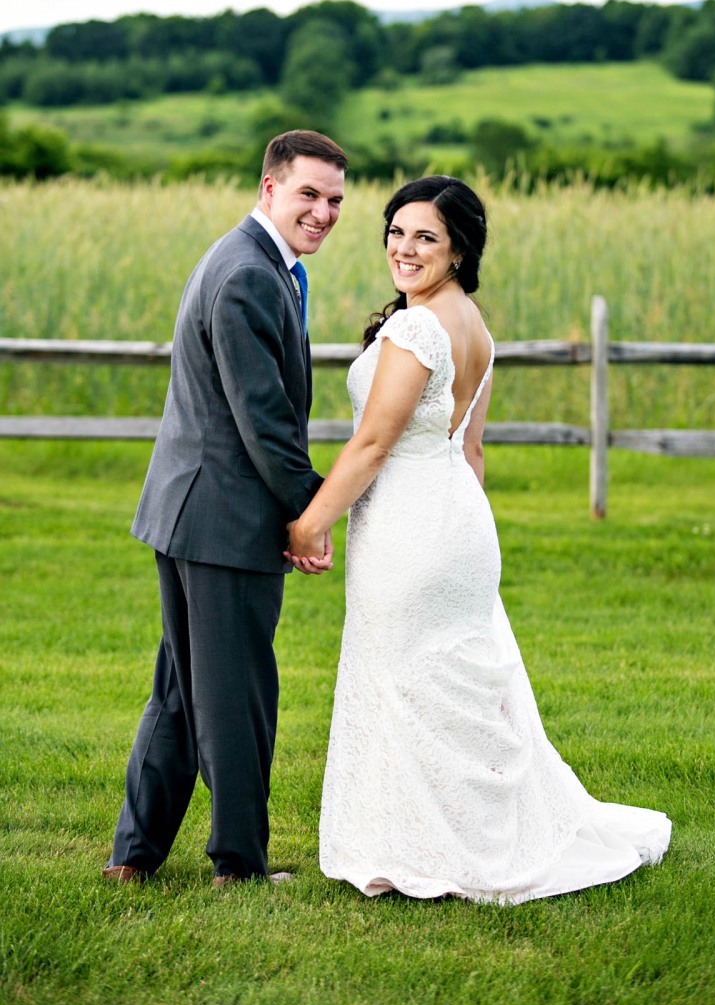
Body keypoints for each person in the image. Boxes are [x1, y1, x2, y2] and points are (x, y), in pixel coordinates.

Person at [286, 174, 671, 904]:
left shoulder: (418, 328)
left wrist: (311, 524)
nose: (404, 248)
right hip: (457, 520)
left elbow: (372, 444)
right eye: (396, 232)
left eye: (425, 237)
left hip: (411, 527)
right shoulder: (475, 326)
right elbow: (472, 452)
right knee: (445, 677)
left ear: (459, 249)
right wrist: (463, 533)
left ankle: (433, 848)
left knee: (407, 679)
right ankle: (449, 831)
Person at [104, 129, 347, 887]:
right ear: (270, 186)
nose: (324, 211)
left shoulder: (248, 260)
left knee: (180, 693)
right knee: (237, 697)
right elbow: (264, 421)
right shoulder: (247, 273)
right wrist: (311, 514)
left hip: (188, 512)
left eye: (336, 199)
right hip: (223, 522)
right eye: (309, 193)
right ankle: (238, 866)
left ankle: (133, 859)